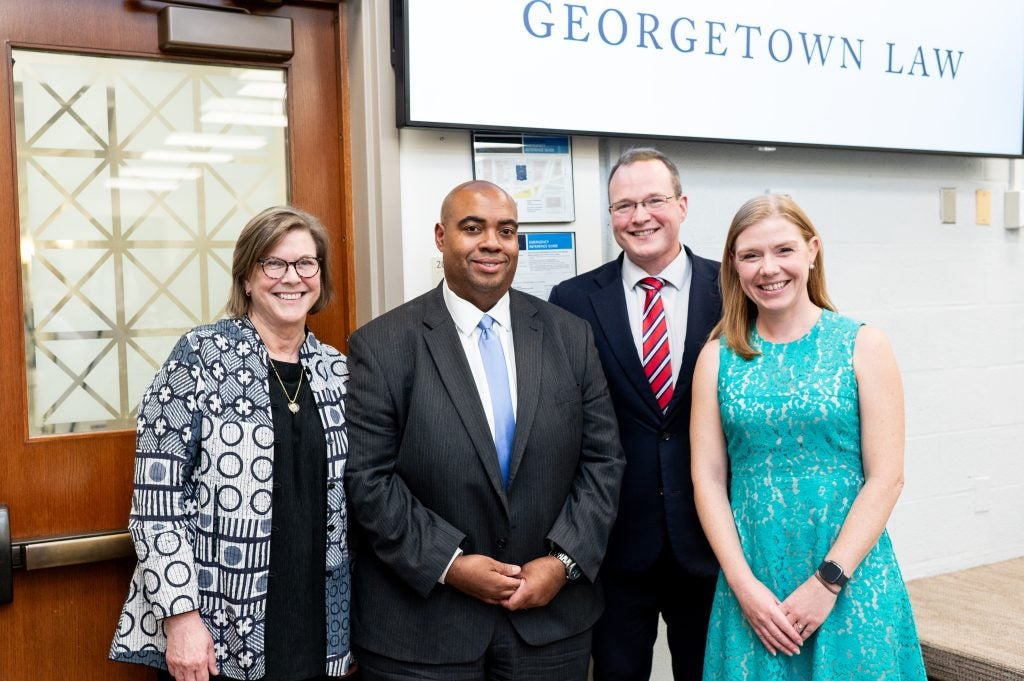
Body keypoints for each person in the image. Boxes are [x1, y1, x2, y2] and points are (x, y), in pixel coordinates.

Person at [344, 179, 625, 681]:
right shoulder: (382, 344)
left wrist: (563, 563)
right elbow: (370, 480)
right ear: (440, 237)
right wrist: (449, 564)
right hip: (423, 632)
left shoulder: (569, 336)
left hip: (550, 626)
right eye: (472, 228)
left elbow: (603, 461)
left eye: (507, 230)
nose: (492, 242)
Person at [109, 206, 354, 680]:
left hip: (318, 626)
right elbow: (155, 506)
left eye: (306, 263)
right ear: (246, 277)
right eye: (273, 263)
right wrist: (180, 618)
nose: (292, 277)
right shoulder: (199, 356)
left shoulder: (337, 370)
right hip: (217, 632)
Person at [690, 194, 926, 679]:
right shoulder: (717, 357)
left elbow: (887, 478)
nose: (768, 269)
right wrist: (742, 584)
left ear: (812, 250)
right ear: (734, 265)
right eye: (751, 255)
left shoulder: (863, 344)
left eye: (783, 250)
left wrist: (829, 581)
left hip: (851, 580)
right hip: (755, 590)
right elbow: (708, 479)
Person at [549, 147, 722, 680]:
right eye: (624, 205)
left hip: (713, 541)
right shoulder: (574, 299)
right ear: (610, 216)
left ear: (683, 204)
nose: (640, 216)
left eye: (654, 200)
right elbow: (563, 421)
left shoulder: (733, 290)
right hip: (616, 543)